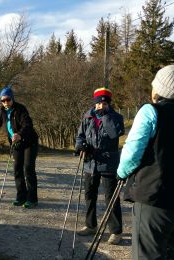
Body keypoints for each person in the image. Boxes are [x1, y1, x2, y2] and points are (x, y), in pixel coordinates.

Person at [117, 65, 174, 259]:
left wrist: (122, 173)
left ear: (159, 89)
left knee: (147, 255)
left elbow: (132, 152)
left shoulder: (151, 111)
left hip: (154, 196)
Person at [75, 86, 124, 245]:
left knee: (111, 197)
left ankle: (116, 232)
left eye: (104, 103)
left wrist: (105, 117)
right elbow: (80, 135)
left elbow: (114, 133)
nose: (101, 106)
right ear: (94, 102)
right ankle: (91, 225)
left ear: (109, 103)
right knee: (90, 195)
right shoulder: (87, 116)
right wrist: (81, 145)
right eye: (98, 103)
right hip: (90, 162)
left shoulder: (116, 117)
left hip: (109, 162)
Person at [0, 86, 39, 209]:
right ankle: (21, 197)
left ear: (12, 98)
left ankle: (32, 199)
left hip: (29, 142)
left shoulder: (20, 109)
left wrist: (20, 134)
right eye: (3, 100)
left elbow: (28, 124)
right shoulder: (2, 111)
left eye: (8, 99)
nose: (5, 103)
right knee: (17, 169)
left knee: (28, 168)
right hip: (16, 143)